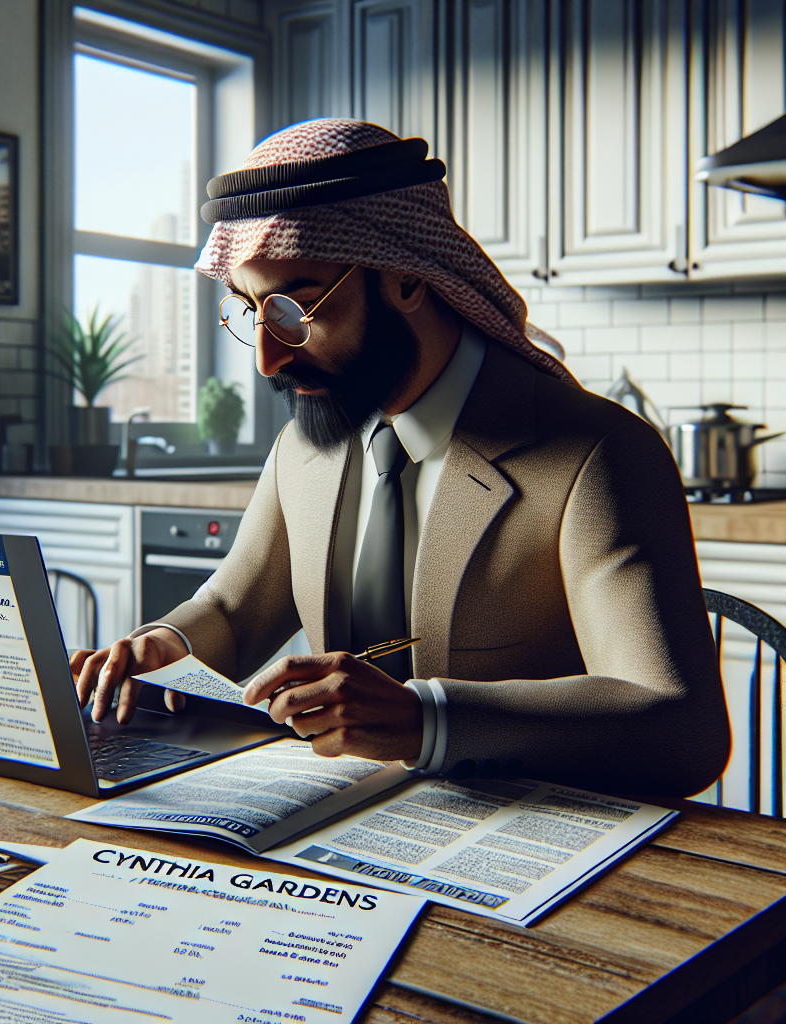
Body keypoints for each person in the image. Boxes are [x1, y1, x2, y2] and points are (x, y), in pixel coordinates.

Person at [71, 119, 730, 797]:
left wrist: (425, 722)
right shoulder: (306, 444)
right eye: (249, 311)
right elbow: (238, 609)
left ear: (408, 281)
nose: (268, 357)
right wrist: (166, 646)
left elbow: (682, 729)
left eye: (295, 310)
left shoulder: (597, 451)